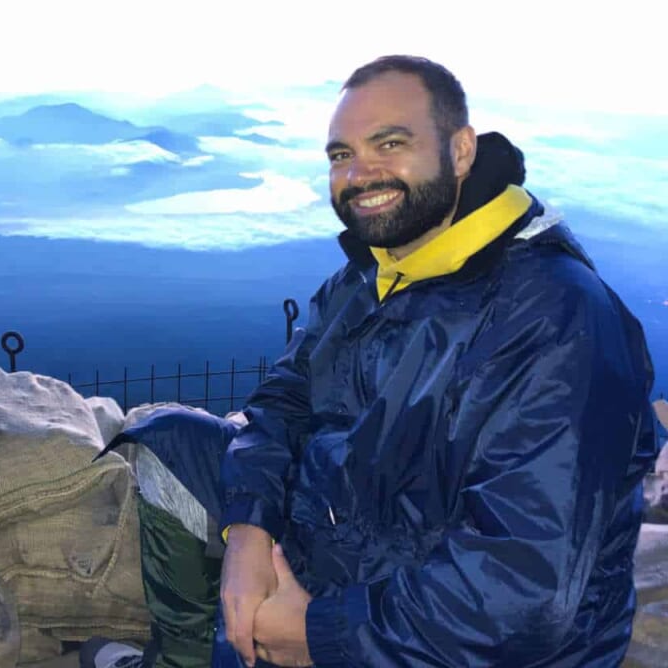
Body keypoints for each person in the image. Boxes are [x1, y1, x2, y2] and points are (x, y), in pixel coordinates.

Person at [92, 55, 658, 668]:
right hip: (348, 535)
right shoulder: (376, 270)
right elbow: (285, 399)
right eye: (342, 155)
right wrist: (247, 529)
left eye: (391, 142)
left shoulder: (555, 318)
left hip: (445, 629)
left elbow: (523, 590)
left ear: (461, 149)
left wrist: (317, 632)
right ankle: (183, 658)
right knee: (167, 442)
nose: (361, 173)